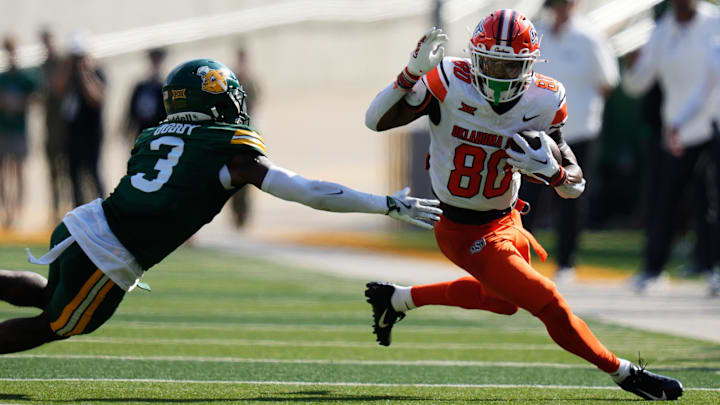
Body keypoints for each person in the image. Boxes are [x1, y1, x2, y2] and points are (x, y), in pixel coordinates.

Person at [0, 58, 441, 354]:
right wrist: (381, 204)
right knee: (63, 323)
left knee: (50, 295)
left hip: (81, 224)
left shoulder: (152, 136)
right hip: (108, 252)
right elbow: (307, 191)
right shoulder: (231, 150)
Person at [363, 10, 682, 401]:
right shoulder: (448, 81)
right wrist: (409, 75)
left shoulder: (545, 99)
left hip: (507, 219)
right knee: (547, 301)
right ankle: (625, 373)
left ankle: (396, 298)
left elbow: (575, 185)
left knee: (502, 303)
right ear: (474, 58)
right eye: (491, 63)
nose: (498, 74)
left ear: (529, 66)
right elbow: (374, 121)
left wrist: (553, 173)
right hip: (462, 229)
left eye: (509, 66)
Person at [622, 0, 720, 293]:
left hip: (711, 128)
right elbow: (637, 84)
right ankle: (653, 270)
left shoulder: (715, 23)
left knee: (712, 202)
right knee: (665, 200)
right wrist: (632, 64)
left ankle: (713, 268)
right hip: (679, 132)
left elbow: (706, 90)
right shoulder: (661, 31)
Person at [519, 0, 619, 282]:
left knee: (571, 197)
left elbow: (608, 81)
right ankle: (518, 254)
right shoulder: (536, 33)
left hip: (579, 132)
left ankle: (566, 263)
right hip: (537, 129)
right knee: (527, 196)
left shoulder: (590, 37)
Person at [57, 32, 106, 206]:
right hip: (72, 135)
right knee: (73, 176)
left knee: (93, 174)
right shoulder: (68, 74)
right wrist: (68, 66)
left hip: (91, 135)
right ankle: (78, 210)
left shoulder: (97, 72)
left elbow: (95, 98)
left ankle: (103, 210)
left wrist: (85, 72)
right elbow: (58, 89)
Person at [0, 34, 39, 228]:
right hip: (3, 129)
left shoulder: (26, 77)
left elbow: (38, 98)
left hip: (19, 130)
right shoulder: (2, 77)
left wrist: (21, 102)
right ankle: (6, 211)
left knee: (19, 171)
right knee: (3, 173)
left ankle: (18, 212)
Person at [228, 47, 262, 228]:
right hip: (232, 134)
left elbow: (256, 102)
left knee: (248, 175)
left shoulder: (249, 81)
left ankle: (244, 215)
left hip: (246, 134)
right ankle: (236, 215)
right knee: (233, 176)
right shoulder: (230, 79)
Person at [39, 28, 70, 224]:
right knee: (53, 173)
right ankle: (55, 209)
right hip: (50, 128)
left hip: (67, 129)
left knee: (67, 171)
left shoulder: (63, 64)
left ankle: (68, 209)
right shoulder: (43, 67)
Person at [126, 48, 168, 141]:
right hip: (142, 129)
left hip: (159, 129)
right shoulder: (141, 86)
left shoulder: (164, 86)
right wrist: (128, 128)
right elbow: (132, 108)